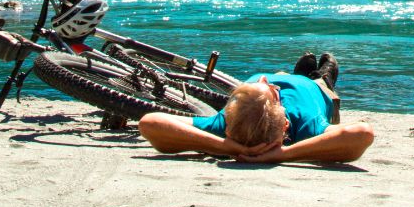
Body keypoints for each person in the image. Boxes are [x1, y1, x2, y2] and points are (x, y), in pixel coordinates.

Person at [137, 52, 375, 164]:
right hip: (311, 91)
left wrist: (225, 145)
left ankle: (296, 72)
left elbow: (149, 123)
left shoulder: (224, 126)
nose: (264, 80)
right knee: (322, 82)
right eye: (275, 92)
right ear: (284, 125)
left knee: (283, 75)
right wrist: (283, 154)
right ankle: (323, 75)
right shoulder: (306, 124)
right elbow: (362, 134)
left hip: (273, 88)